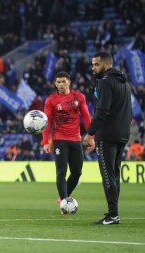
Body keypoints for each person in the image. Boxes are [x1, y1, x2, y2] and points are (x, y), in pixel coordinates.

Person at [83, 52, 132, 225]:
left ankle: (113, 215)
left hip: (108, 134)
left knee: (107, 175)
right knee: (114, 175)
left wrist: (90, 133)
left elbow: (101, 111)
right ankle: (114, 213)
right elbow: (128, 111)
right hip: (122, 134)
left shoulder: (104, 82)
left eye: (96, 64)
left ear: (106, 64)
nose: (93, 68)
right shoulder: (124, 82)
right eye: (92, 64)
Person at [42, 71, 94, 213]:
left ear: (69, 82)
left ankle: (62, 198)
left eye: (63, 81)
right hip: (59, 139)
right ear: (55, 83)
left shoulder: (79, 97)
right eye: (58, 82)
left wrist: (91, 136)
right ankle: (64, 202)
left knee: (77, 172)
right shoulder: (51, 100)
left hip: (75, 139)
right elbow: (46, 121)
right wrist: (45, 141)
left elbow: (86, 116)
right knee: (61, 172)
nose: (60, 84)